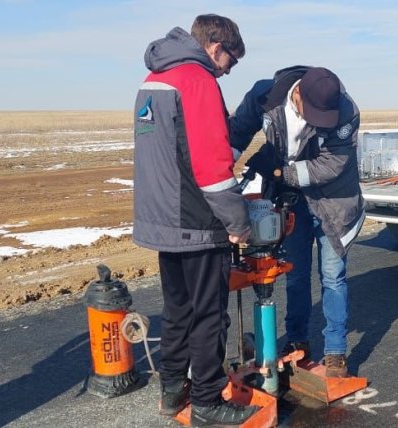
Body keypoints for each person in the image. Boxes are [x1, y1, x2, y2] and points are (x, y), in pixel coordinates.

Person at [132, 14, 257, 426]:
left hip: (164, 221)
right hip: (198, 222)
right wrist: (238, 223)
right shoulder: (197, 80)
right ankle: (206, 401)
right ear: (216, 45)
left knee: (178, 310)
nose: (226, 71)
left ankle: (172, 391)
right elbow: (213, 168)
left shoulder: (154, 79)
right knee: (209, 315)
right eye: (230, 62)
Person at [230, 66, 365, 377]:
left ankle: (335, 353)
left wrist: (280, 173)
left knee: (332, 276)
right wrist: (222, 168)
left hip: (333, 202)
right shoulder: (265, 97)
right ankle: (297, 342)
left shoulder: (344, 110)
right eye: (312, 113)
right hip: (291, 201)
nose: (315, 122)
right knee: (295, 274)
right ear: (298, 95)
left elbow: (332, 164)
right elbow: (237, 131)